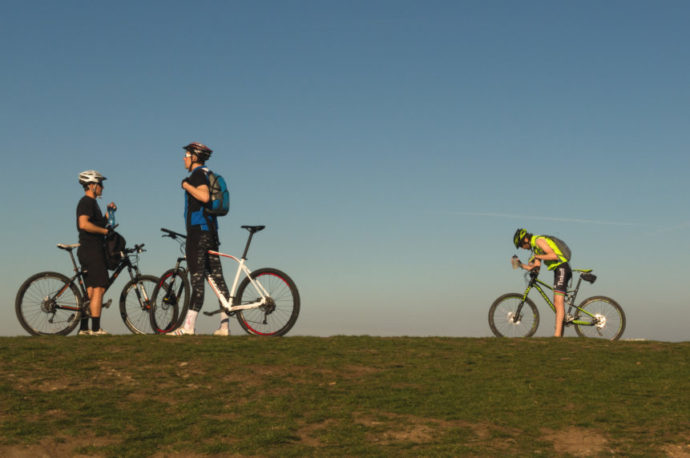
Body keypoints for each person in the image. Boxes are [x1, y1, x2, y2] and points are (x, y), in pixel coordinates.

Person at [169, 142, 232, 336]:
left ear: (194, 157)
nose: (184, 158)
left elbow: (204, 197)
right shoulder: (208, 174)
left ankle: (188, 327)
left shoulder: (196, 175)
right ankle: (224, 327)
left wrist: (186, 185)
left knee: (197, 279)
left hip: (198, 233)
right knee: (217, 280)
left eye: (186, 155)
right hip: (211, 232)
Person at [76, 170, 116, 336]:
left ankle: (84, 329)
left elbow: (96, 223)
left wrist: (108, 214)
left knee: (92, 290)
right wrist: (104, 232)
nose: (102, 187)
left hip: (90, 249)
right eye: (100, 184)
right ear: (92, 186)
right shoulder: (86, 202)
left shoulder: (92, 204)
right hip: (91, 250)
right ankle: (95, 328)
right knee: (99, 288)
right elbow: (84, 224)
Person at [513, 228, 572, 337]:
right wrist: (520, 264)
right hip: (558, 270)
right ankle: (559, 333)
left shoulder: (538, 241)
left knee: (558, 302)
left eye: (521, 245)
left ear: (525, 239)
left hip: (562, 267)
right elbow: (536, 267)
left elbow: (554, 255)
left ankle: (557, 336)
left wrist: (537, 256)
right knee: (557, 303)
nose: (522, 248)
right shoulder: (535, 248)